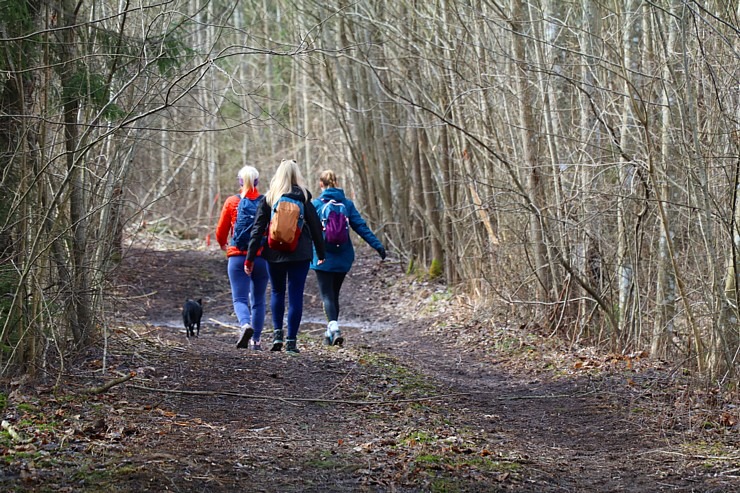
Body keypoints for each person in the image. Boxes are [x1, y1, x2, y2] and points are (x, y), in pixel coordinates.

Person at [244, 159, 326, 354]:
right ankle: (291, 342)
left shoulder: (270, 198)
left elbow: (257, 229)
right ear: (297, 174)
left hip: (274, 254)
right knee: (296, 295)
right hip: (300, 253)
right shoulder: (304, 197)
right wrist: (321, 253)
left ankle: (277, 336)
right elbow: (315, 227)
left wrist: (250, 257)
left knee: (277, 292)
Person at [310, 170, 386, 346]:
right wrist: (378, 245)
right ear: (336, 182)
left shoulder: (315, 204)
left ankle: (334, 327)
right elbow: (361, 226)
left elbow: (305, 229)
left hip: (322, 257)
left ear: (321, 184)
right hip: (343, 256)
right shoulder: (347, 204)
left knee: (327, 295)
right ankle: (330, 332)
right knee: (334, 294)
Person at [215, 166, 269, 350]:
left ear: (239, 181)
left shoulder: (232, 202)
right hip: (261, 257)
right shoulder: (267, 201)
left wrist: (223, 244)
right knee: (259, 299)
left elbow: (221, 230)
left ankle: (245, 325)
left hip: (237, 256)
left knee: (239, 299)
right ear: (257, 182)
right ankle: (256, 341)